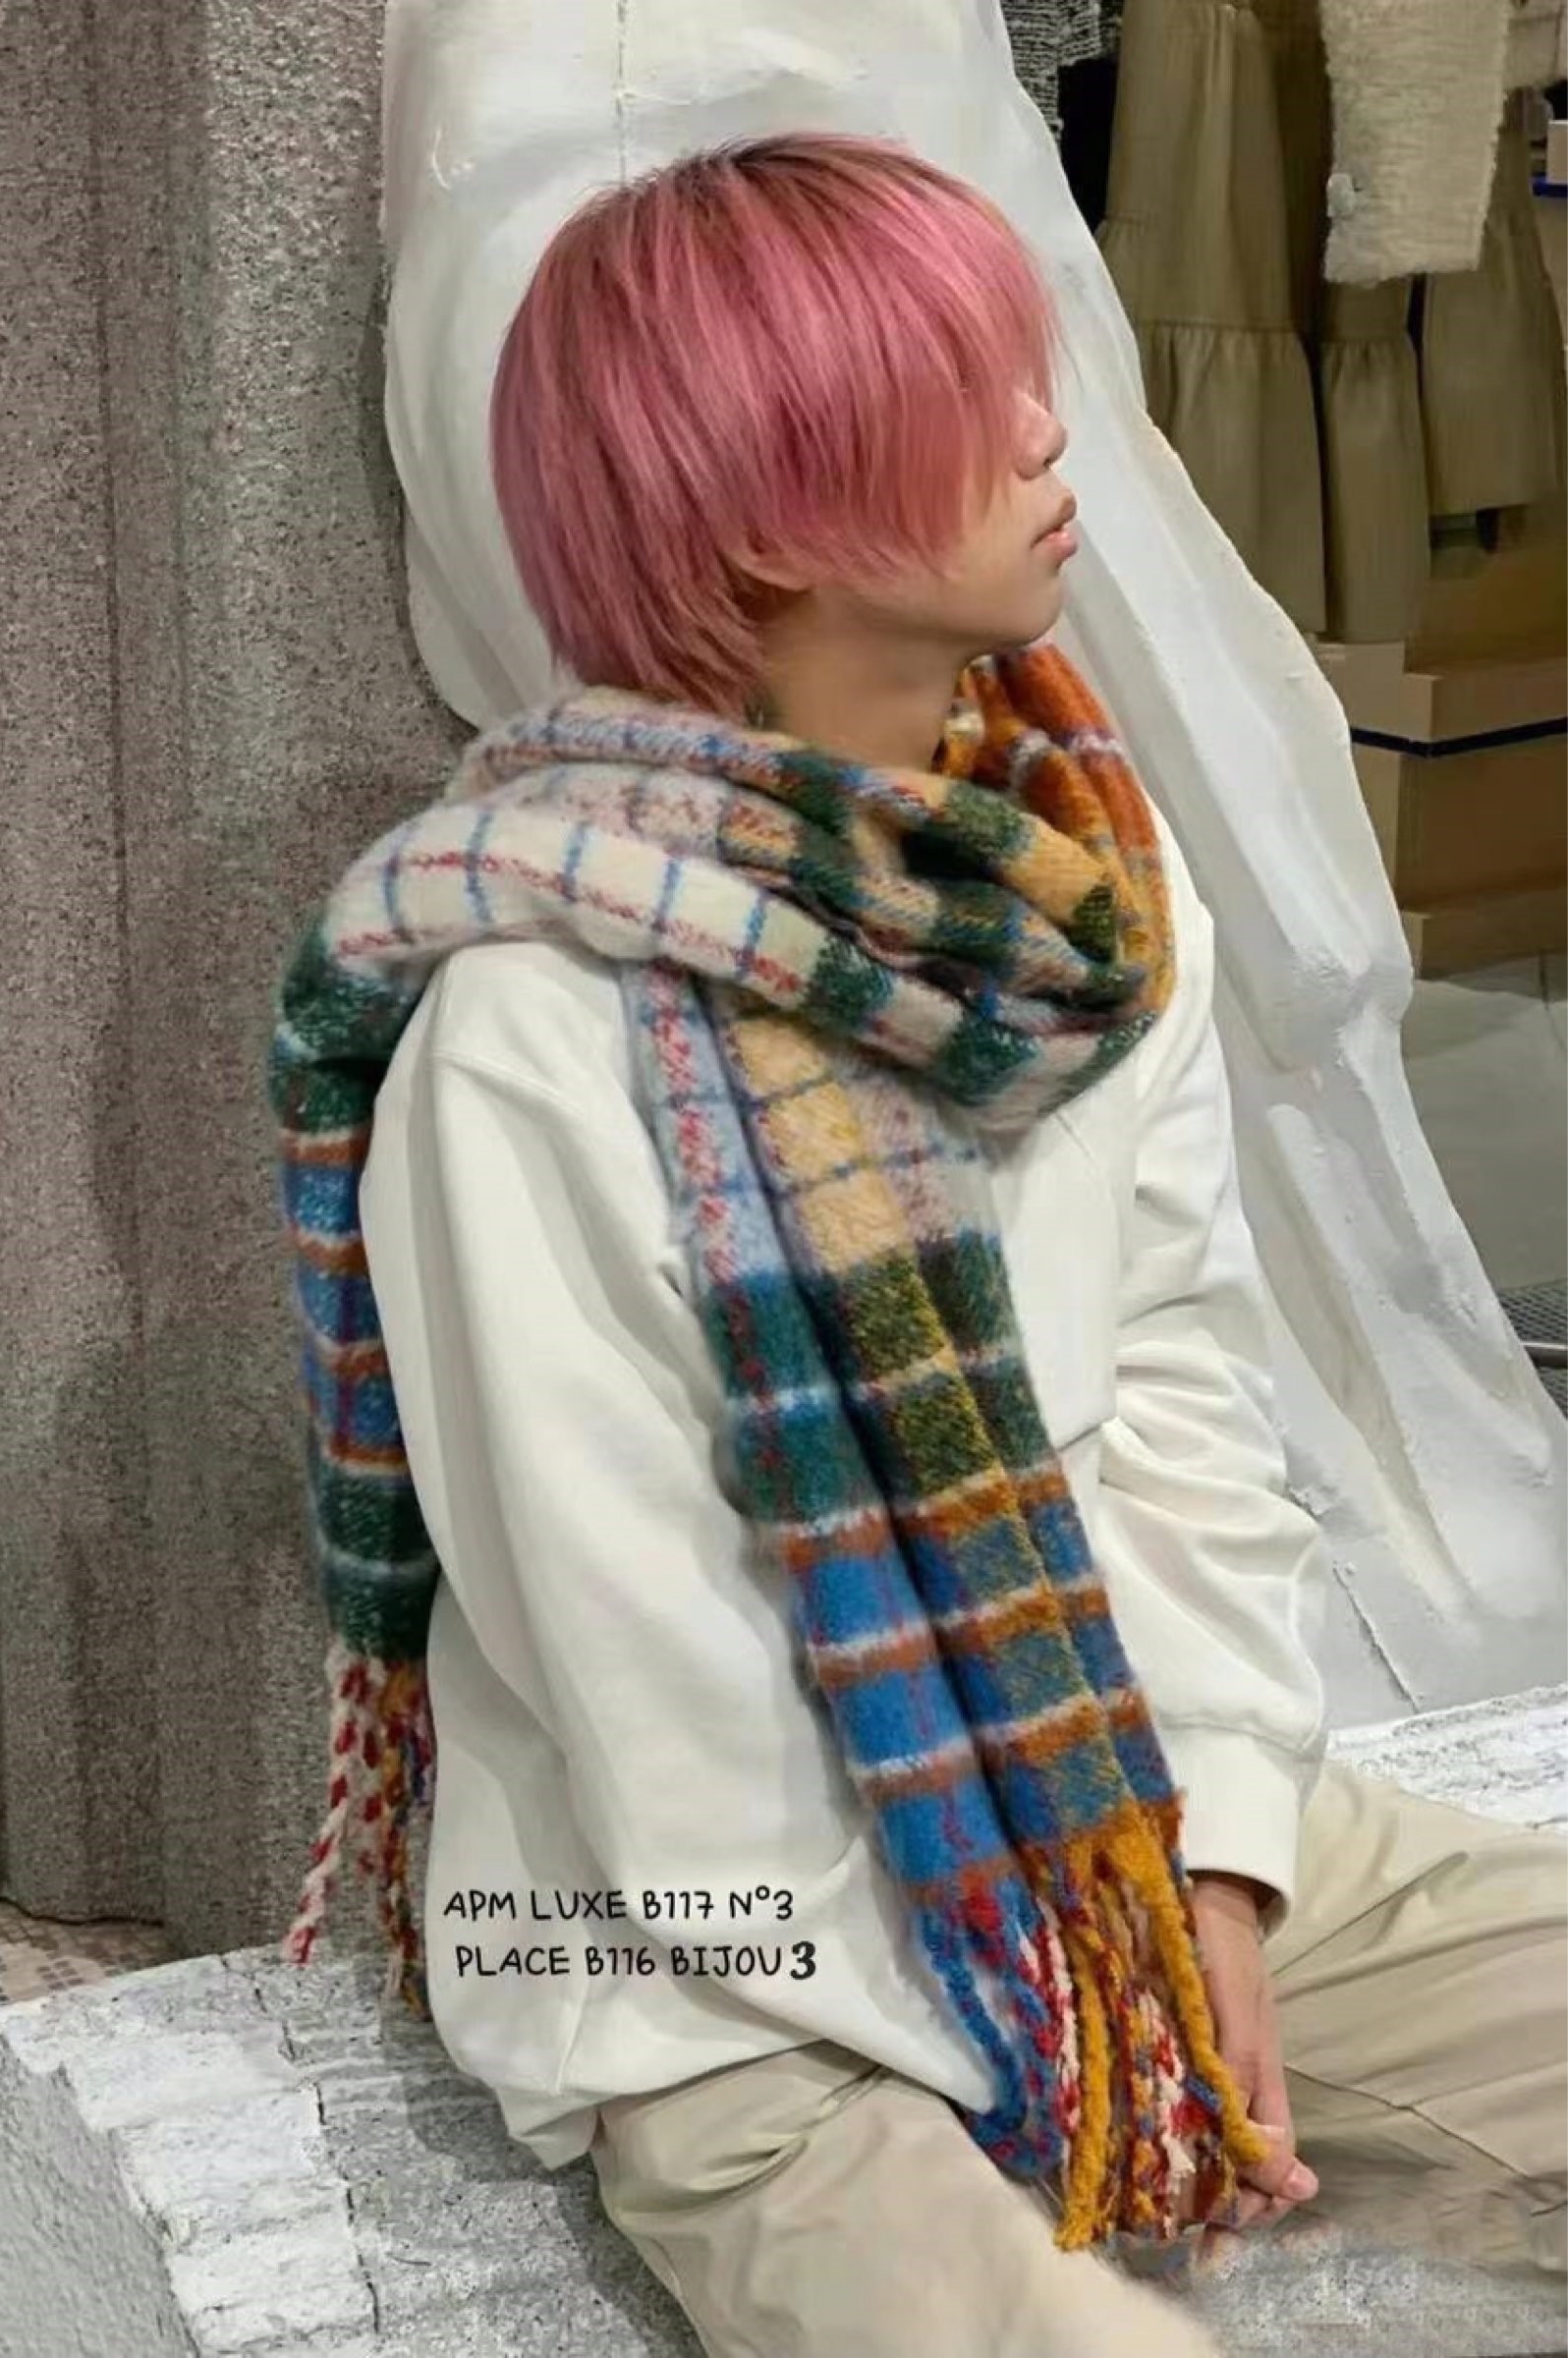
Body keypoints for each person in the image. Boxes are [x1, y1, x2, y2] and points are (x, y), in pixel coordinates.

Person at [271, 133, 1567, 2358]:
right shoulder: (532, 1031)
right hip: (726, 1980)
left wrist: (1211, 1870)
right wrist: (1087, 2027)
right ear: (774, 515)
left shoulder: (1079, 892)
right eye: (969, 398)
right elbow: (654, 1699)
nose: (1050, 433)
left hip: (1114, 1809)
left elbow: (1183, 1389)